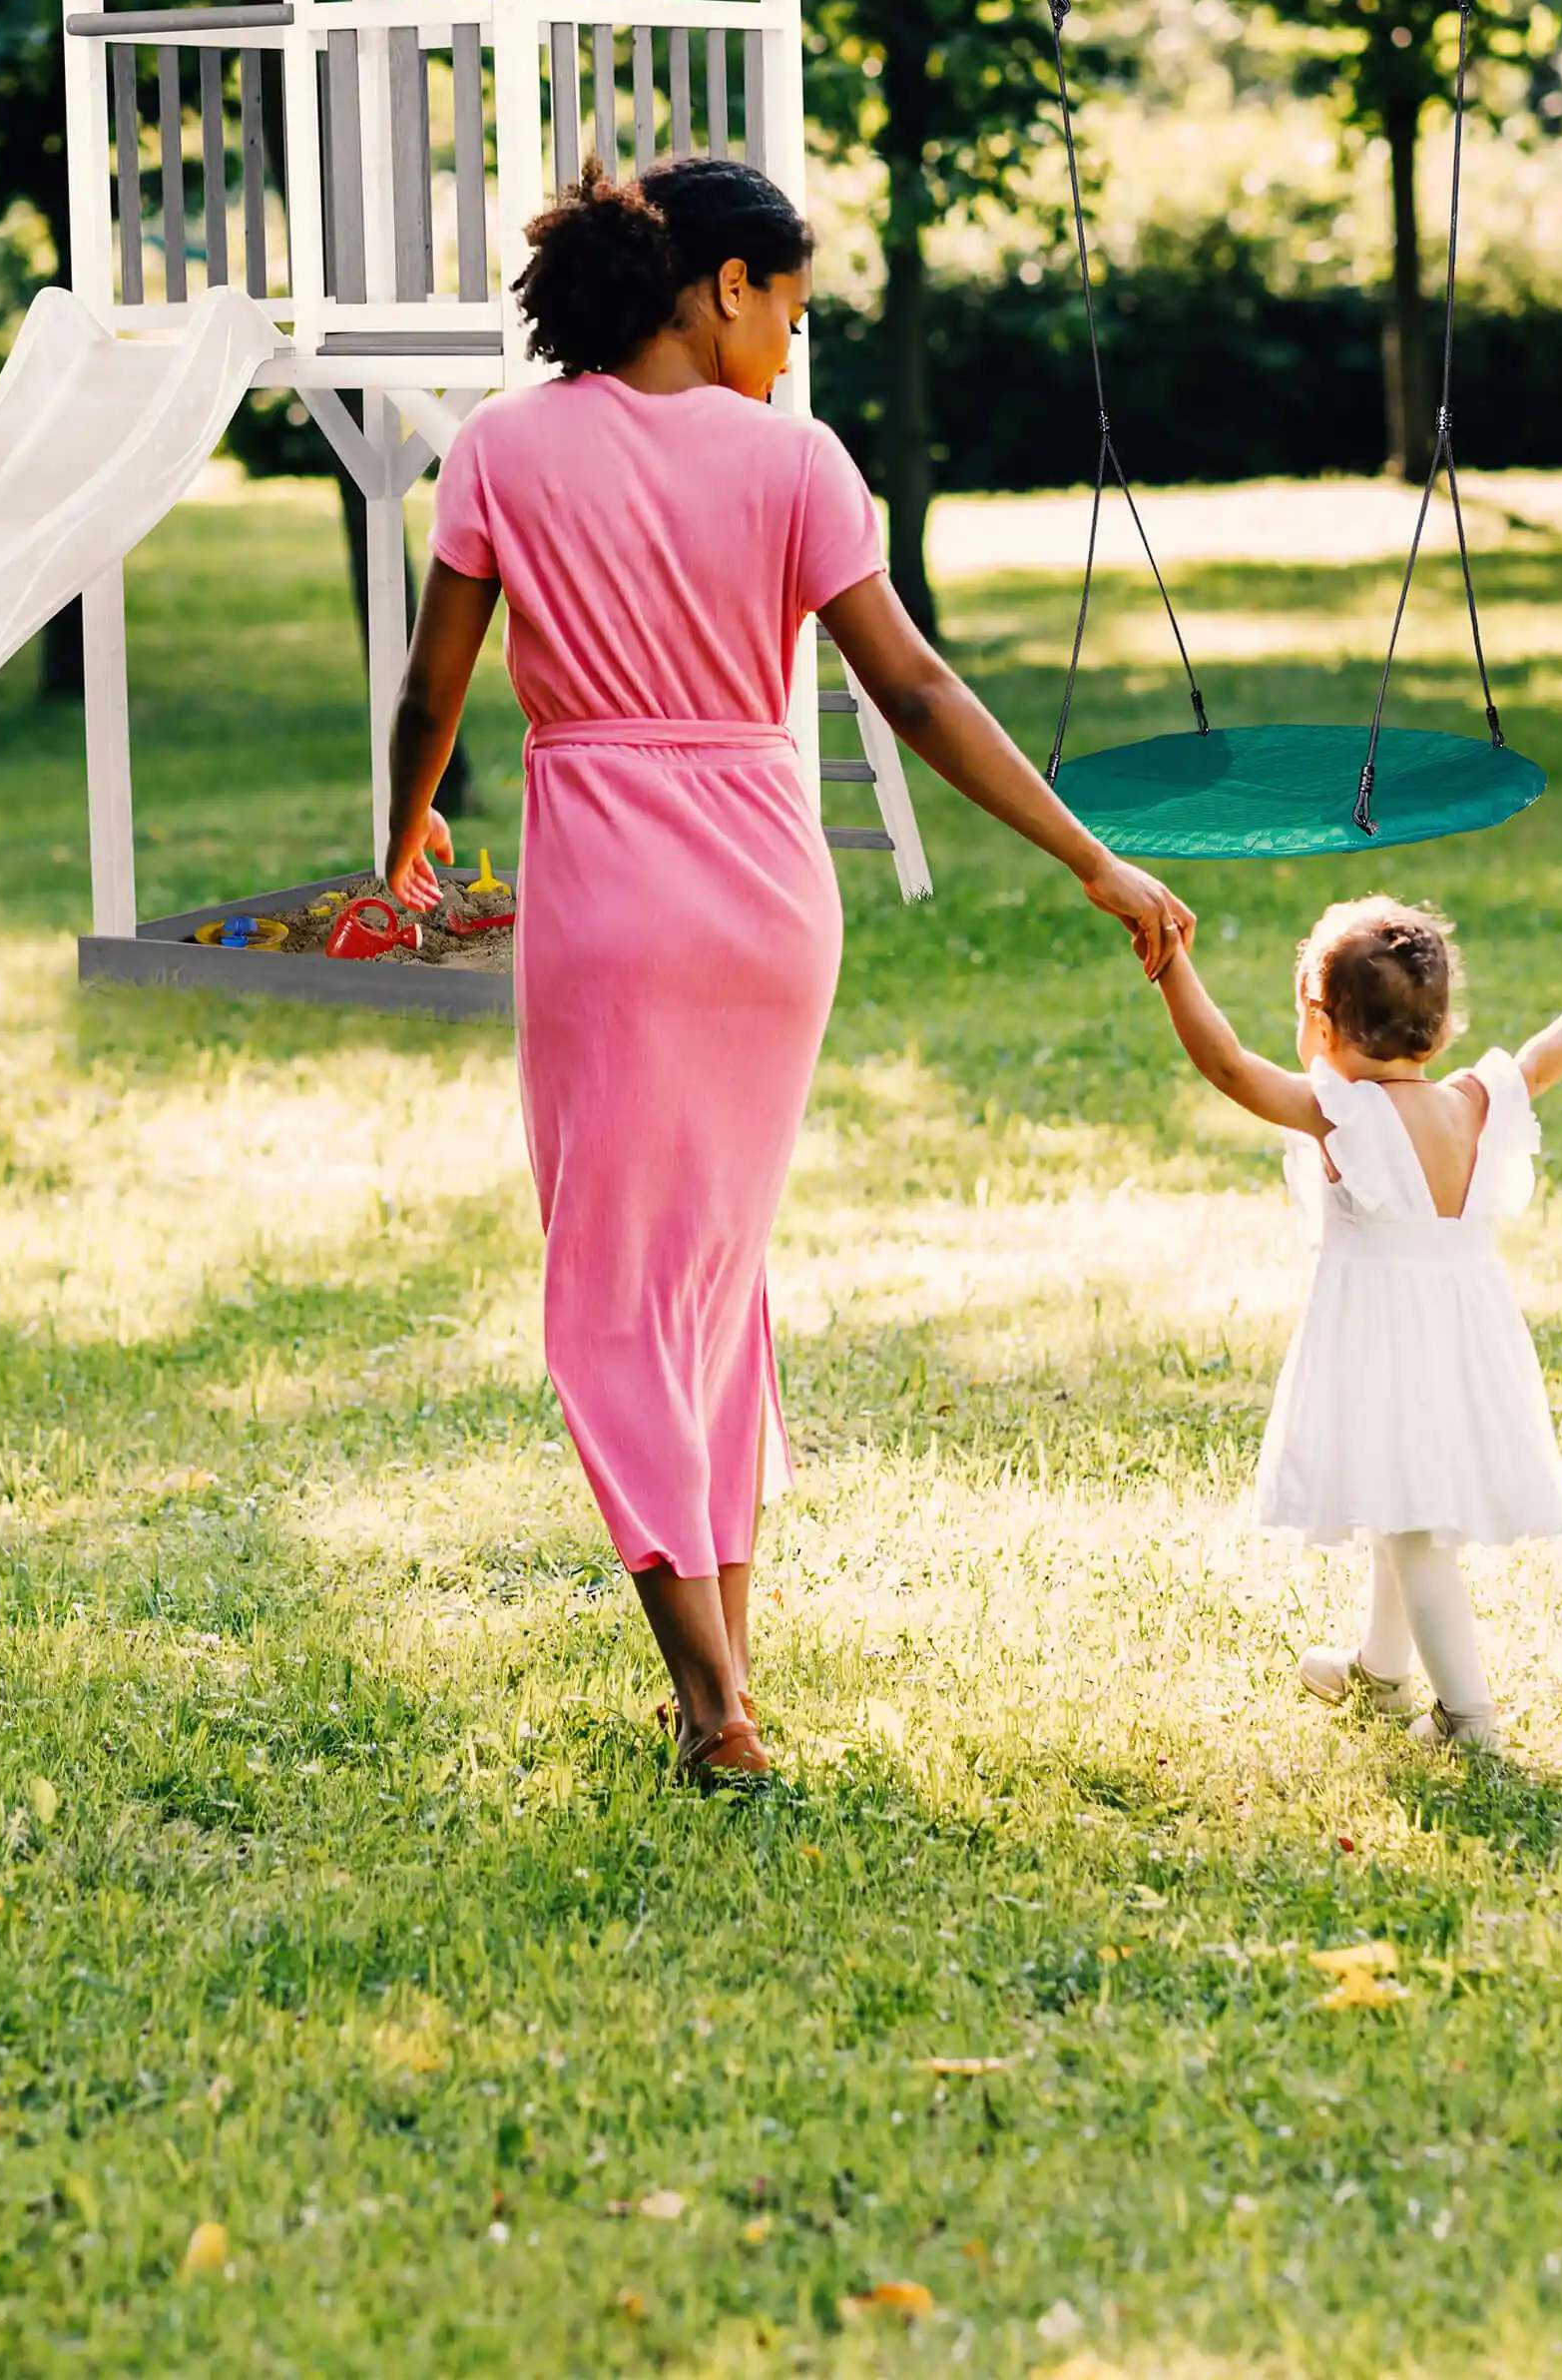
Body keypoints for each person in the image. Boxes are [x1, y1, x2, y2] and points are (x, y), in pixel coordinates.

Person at [380, 156, 1195, 1787]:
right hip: (766, 897)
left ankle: (709, 1702)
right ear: (723, 286)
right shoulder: (798, 464)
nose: (792, 349)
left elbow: (433, 689)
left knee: (617, 1294)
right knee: (710, 1281)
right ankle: (726, 1676)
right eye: (792, 312)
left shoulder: (502, 449)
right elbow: (916, 690)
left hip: (609, 896)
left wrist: (398, 841)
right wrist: (1089, 854)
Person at [1148, 896, 1562, 1751]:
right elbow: (1541, 1060)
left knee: (1414, 1531)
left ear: (1322, 1024)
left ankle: (1468, 1717)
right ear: (1440, 1029)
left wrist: (1172, 966)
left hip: (1387, 1345)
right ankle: (1381, 1671)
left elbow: (1228, 1066)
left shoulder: (1343, 1115)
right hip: (1463, 1340)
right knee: (1396, 1497)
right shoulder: (1474, 1101)